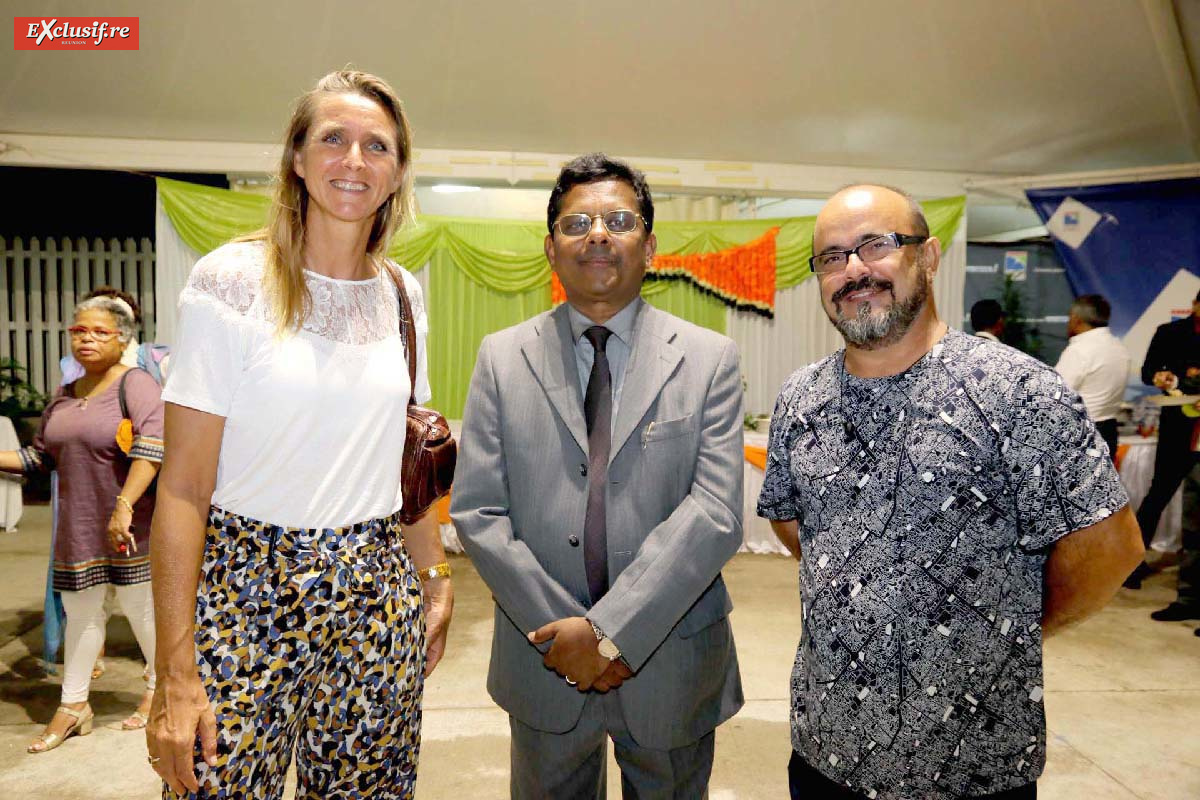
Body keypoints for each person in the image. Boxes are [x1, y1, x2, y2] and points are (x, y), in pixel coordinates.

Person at [757, 184, 1144, 799]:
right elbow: (793, 521)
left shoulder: (1018, 391)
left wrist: (1006, 623)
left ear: (929, 257)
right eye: (831, 257)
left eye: (875, 245)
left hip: (974, 762)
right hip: (828, 753)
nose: (853, 270)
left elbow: (1109, 549)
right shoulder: (800, 400)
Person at [144, 70, 452, 799]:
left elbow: (406, 463)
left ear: (398, 171)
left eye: (377, 145)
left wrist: (434, 579)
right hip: (244, 592)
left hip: (376, 597)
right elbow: (184, 488)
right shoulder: (232, 283)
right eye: (333, 139)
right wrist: (175, 674)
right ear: (297, 157)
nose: (354, 160)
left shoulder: (404, 296)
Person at [452, 153, 744, 799]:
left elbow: (717, 512)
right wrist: (570, 640)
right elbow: (477, 511)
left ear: (651, 245)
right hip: (545, 659)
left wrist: (610, 633)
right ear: (551, 248)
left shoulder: (708, 359)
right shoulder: (502, 359)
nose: (598, 235)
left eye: (619, 219)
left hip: (671, 660)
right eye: (577, 222)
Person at [0, 295, 163, 752]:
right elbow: (39, 457)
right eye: (79, 332)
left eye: (99, 332)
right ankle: (74, 707)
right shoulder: (66, 394)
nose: (87, 339)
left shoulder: (136, 385)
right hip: (78, 524)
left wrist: (124, 506)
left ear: (122, 339)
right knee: (82, 616)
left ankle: (159, 687)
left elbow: (153, 448)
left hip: (129, 524)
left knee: (140, 611)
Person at [1124, 288, 1200, 589]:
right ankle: (1132, 563)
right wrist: (1162, 377)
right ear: (1194, 305)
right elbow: (1147, 373)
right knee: (1159, 493)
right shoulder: (1169, 332)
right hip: (1177, 426)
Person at [1054, 294, 1131, 460]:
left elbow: (1055, 394)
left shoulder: (1080, 350)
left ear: (1076, 319)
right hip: (1109, 431)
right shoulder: (1120, 348)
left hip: (1081, 432)